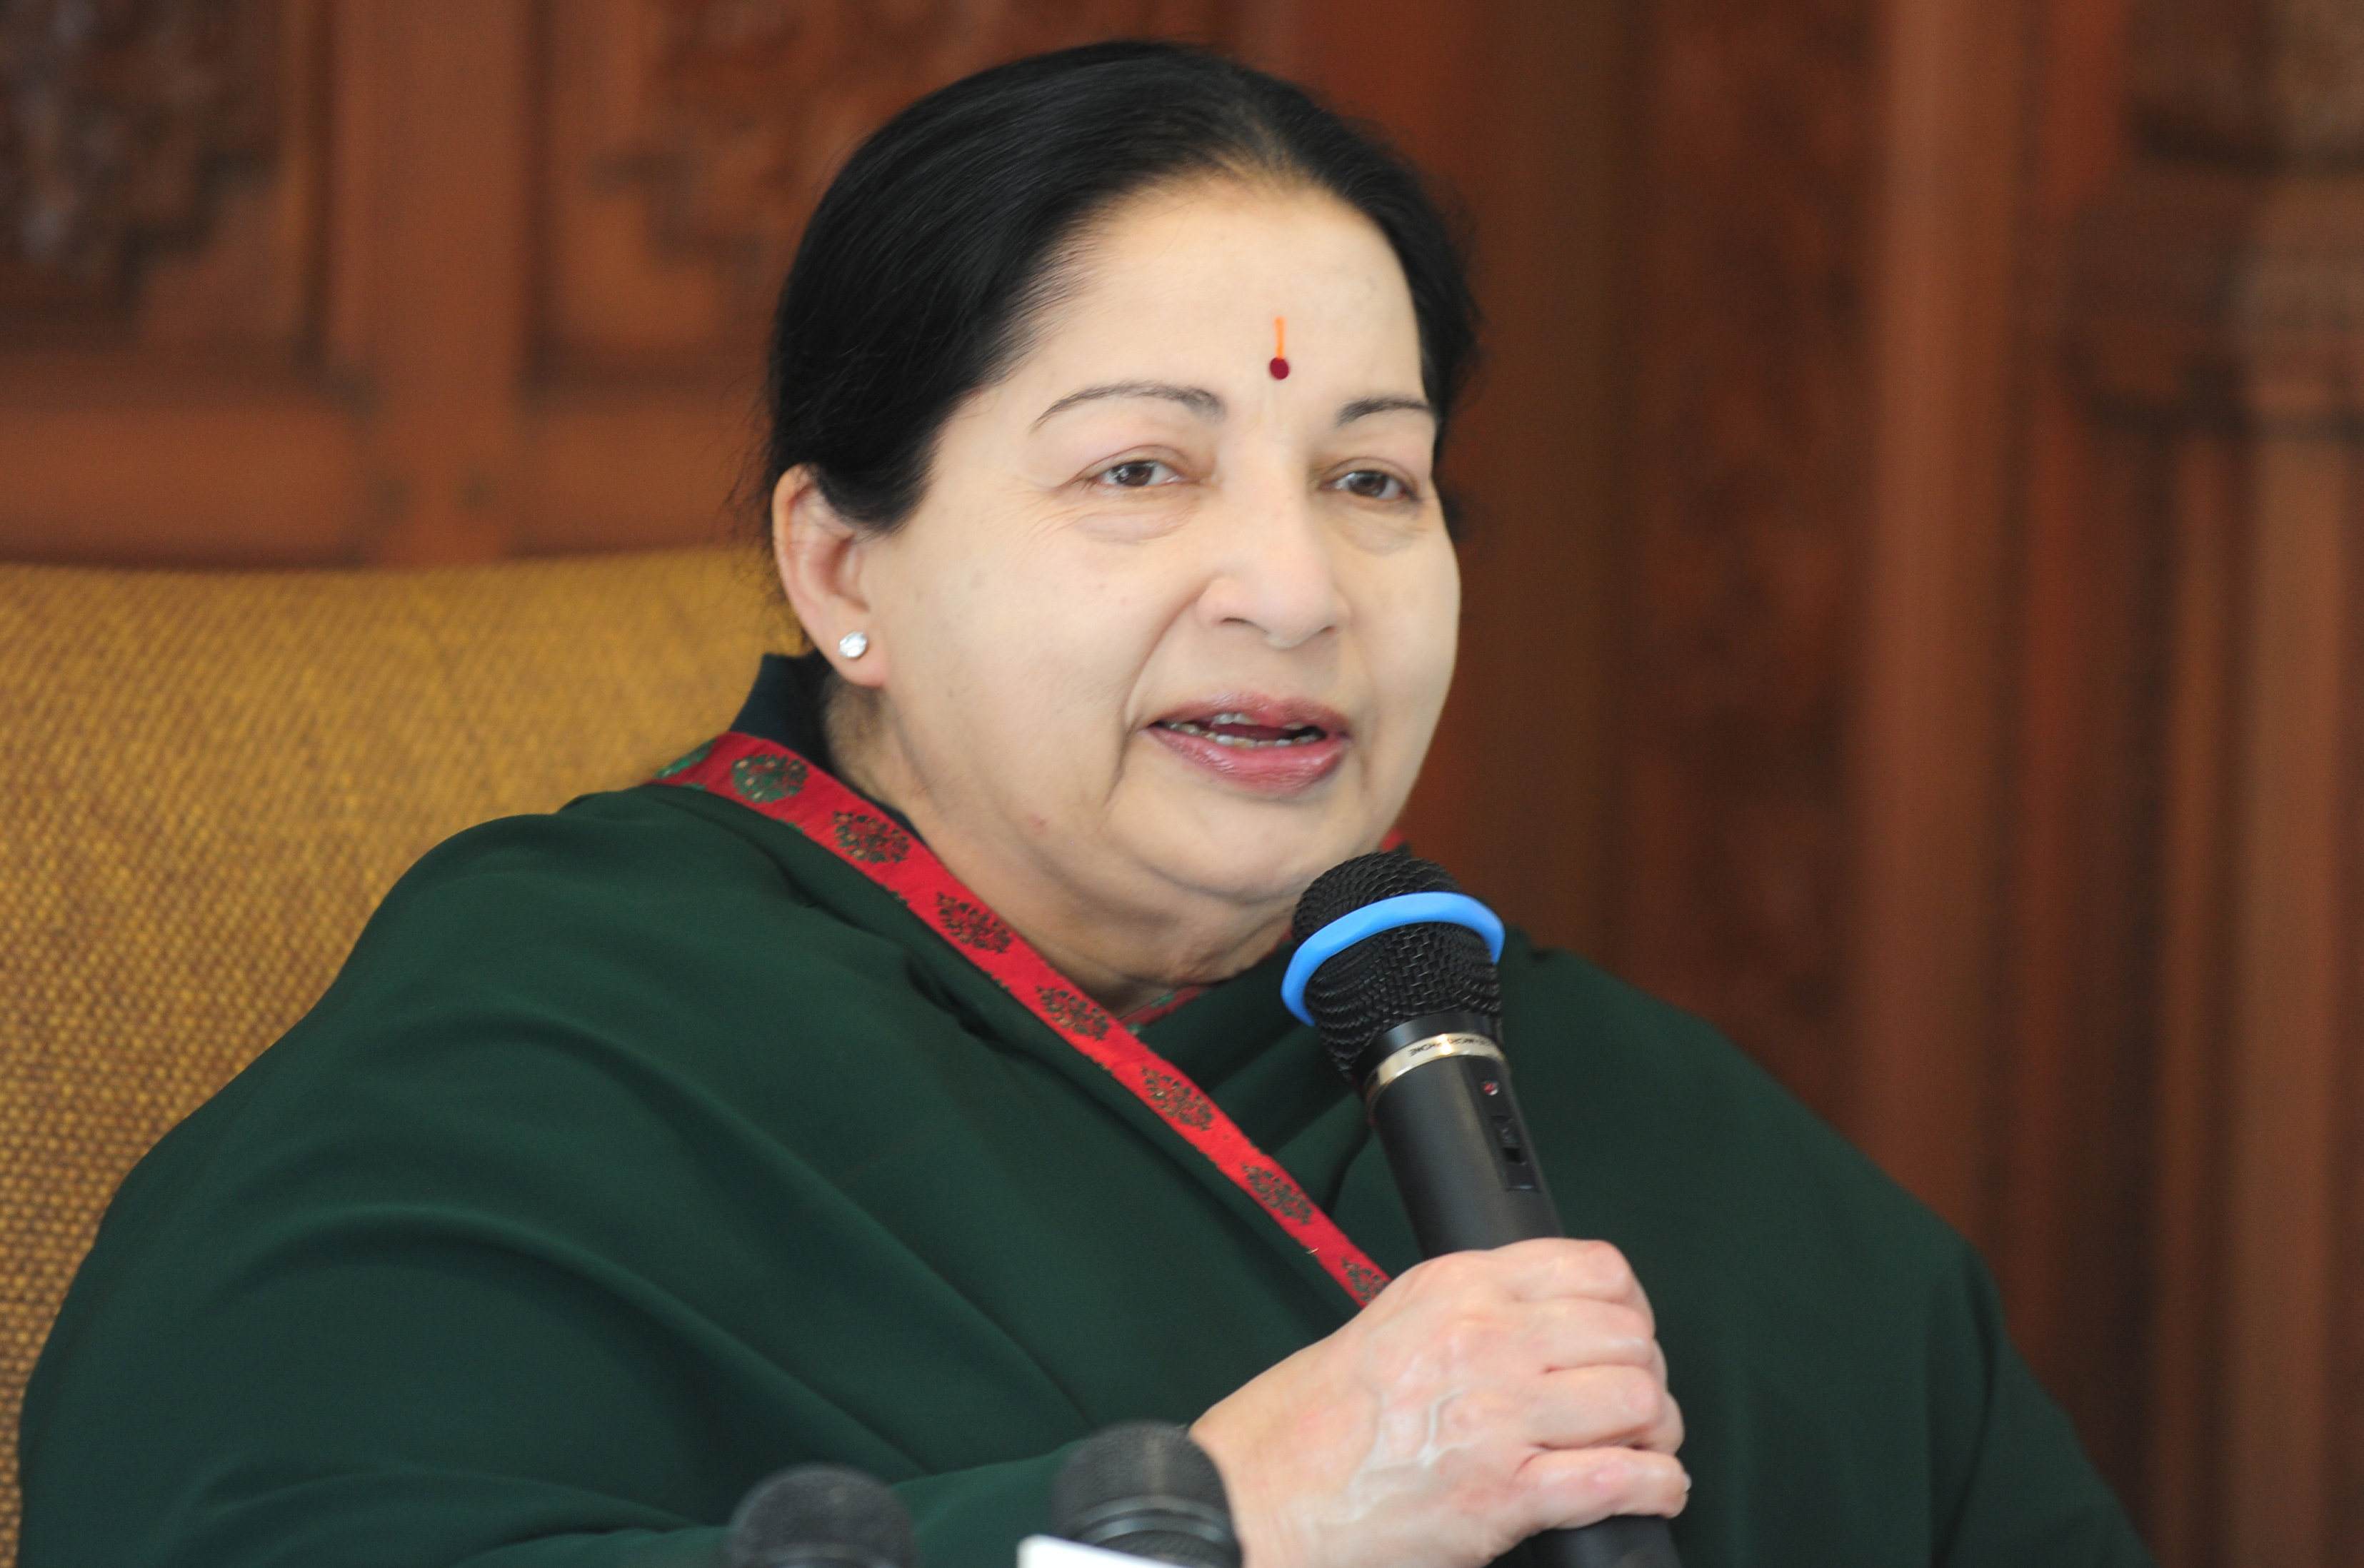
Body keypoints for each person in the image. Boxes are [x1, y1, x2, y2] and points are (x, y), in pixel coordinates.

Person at [18, 41, 2153, 1568]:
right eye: (1142, 468)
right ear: (842, 568)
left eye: (1374, 480)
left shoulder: (1591, 1099)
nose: (1297, 587)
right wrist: (1224, 1527)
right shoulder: (571, 1039)